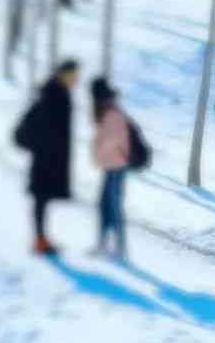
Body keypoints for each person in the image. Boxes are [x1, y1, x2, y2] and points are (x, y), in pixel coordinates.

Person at [14, 59, 80, 256]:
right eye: (73, 75)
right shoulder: (53, 95)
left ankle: (42, 239)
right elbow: (46, 128)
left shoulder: (57, 93)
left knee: (42, 199)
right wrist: (45, 149)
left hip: (50, 158)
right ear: (63, 74)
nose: (75, 79)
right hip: (46, 159)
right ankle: (40, 241)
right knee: (41, 198)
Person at [91, 76, 130, 257]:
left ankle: (119, 247)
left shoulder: (112, 113)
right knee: (105, 205)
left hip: (116, 167)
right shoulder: (107, 111)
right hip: (111, 166)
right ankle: (105, 243)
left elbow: (115, 141)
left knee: (113, 206)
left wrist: (99, 152)